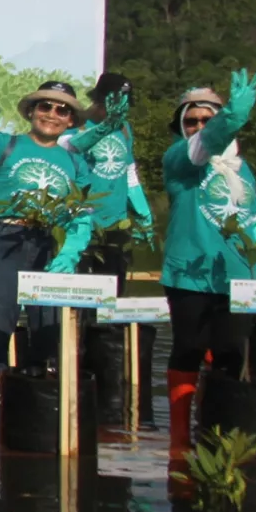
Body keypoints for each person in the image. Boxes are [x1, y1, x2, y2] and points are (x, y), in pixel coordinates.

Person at [0, 80, 103, 439]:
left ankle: (33, 427)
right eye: (45, 106)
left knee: (49, 332)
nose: (53, 114)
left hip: (47, 244)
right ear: (31, 112)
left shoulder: (75, 162)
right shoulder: (5, 143)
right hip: (2, 241)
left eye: (62, 110)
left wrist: (69, 252)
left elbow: (82, 215)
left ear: (70, 121)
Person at [159, 74, 256, 450]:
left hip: (236, 277)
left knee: (229, 353)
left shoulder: (242, 169)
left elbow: (255, 218)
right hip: (187, 273)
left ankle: (217, 436)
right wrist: (230, 118)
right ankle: (179, 440)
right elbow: (202, 148)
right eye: (190, 121)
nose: (197, 126)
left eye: (205, 119)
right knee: (188, 350)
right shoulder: (179, 157)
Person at [71, 71, 156, 388]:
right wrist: (103, 127)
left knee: (111, 297)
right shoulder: (81, 128)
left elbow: (129, 173)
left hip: (116, 224)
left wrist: (144, 213)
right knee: (80, 300)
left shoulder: (125, 130)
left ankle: (101, 372)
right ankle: (73, 363)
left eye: (125, 101)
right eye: (114, 100)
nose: (120, 107)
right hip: (84, 224)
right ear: (99, 100)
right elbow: (73, 150)